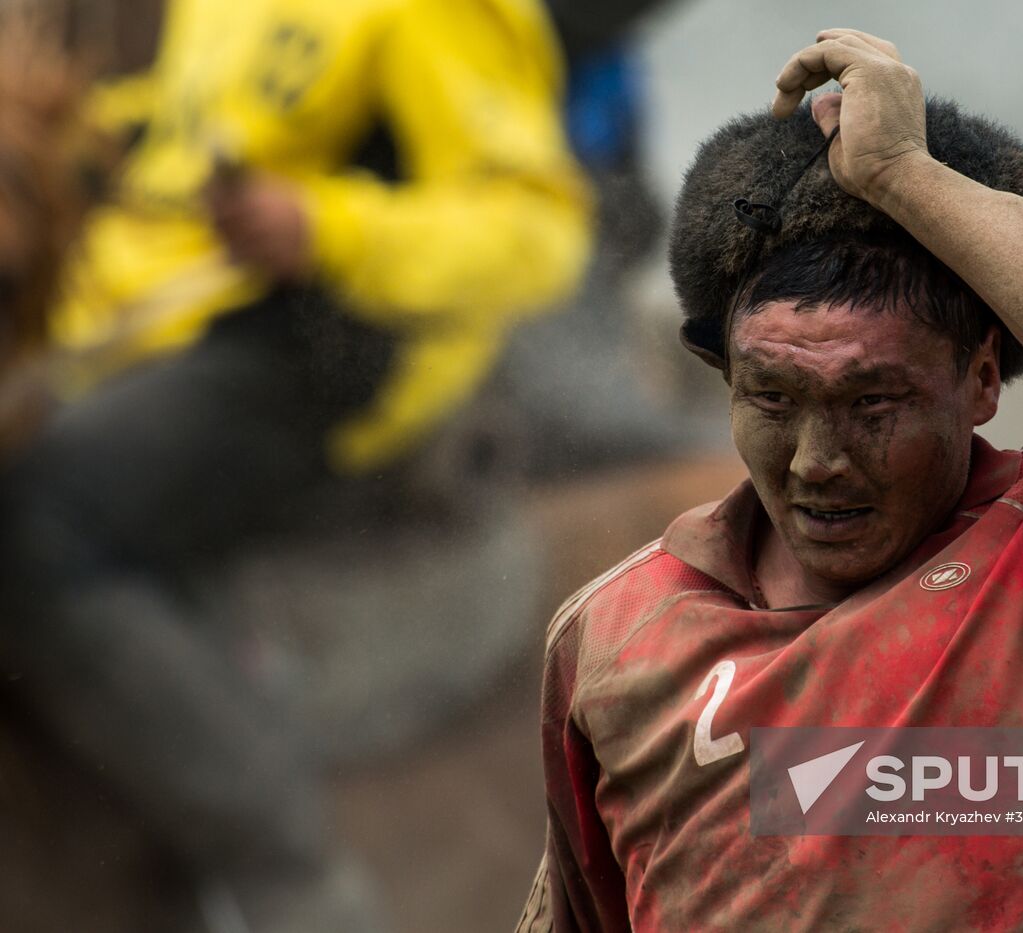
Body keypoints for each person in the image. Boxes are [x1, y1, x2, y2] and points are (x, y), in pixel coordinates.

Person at [517, 27, 1023, 932]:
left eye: (874, 402)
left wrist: (905, 173)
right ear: (724, 380)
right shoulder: (612, 631)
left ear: (982, 377)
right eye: (774, 397)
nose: (817, 458)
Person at [0, 1, 590, 931]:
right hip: (151, 342)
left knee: (35, 517)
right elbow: (167, 166)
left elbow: (538, 232)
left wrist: (327, 226)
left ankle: (287, 875)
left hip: (323, 360)